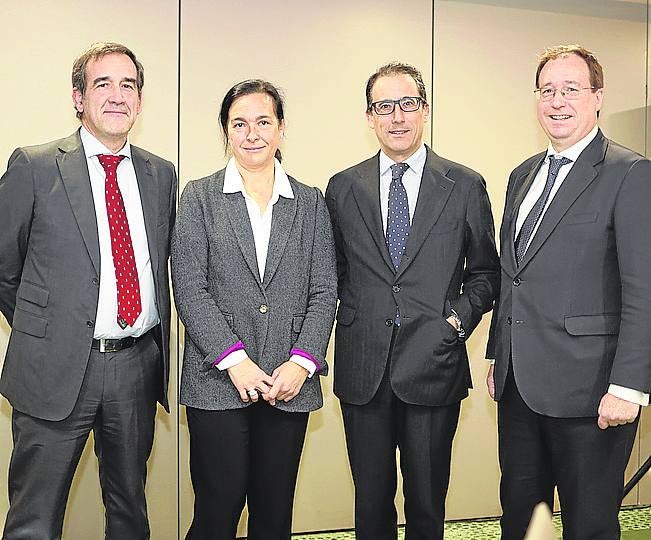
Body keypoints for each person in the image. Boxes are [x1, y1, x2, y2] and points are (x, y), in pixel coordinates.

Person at [0, 42, 177, 539]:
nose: (117, 96)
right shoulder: (34, 166)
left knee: (129, 510)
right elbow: (3, 266)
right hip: (55, 370)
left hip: (136, 368)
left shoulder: (161, 174)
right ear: (78, 98)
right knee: (34, 519)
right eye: (103, 84)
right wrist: (48, 329)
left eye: (128, 85)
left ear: (140, 101)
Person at [325, 62, 499, 540]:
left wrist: (454, 324)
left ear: (424, 110)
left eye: (408, 104)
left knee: (427, 504)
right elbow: (333, 272)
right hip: (364, 371)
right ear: (369, 117)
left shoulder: (464, 184)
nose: (396, 116)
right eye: (385, 106)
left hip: (433, 363)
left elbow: (486, 274)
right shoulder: (343, 187)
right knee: (370, 504)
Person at [487, 45, 651, 539]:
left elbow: (644, 289)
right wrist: (499, 354)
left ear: (597, 97)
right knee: (521, 520)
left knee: (588, 526)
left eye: (571, 90)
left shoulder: (630, 173)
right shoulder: (522, 175)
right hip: (519, 388)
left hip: (593, 394)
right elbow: (512, 277)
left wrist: (629, 387)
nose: (558, 102)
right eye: (548, 91)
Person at [172, 79, 337, 540]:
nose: (252, 134)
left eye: (263, 121)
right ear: (226, 131)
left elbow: (324, 290)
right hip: (218, 382)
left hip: (289, 385)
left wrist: (302, 363)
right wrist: (236, 362)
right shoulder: (200, 197)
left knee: (273, 515)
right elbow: (189, 287)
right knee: (217, 512)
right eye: (239, 123)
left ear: (281, 129)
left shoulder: (309, 202)